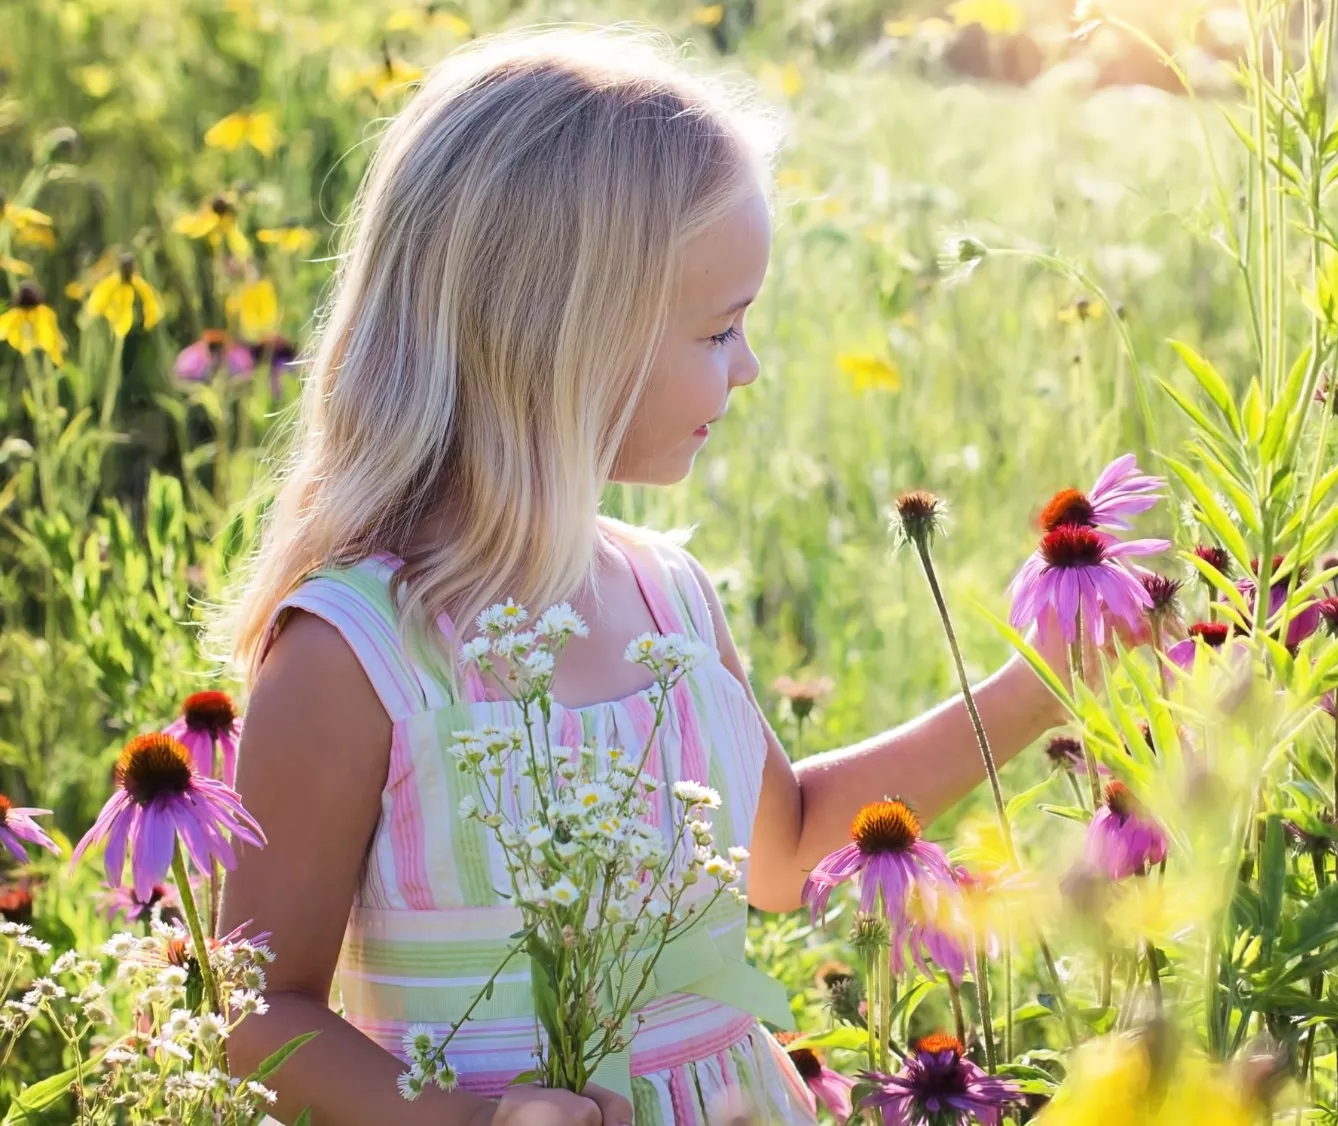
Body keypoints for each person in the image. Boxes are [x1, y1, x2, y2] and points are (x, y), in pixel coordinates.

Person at [215, 27, 1085, 1126]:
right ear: (560, 337)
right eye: (719, 329)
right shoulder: (356, 653)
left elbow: (782, 851)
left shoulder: (667, 594)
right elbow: (256, 1012)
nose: (750, 365)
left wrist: (1034, 686)